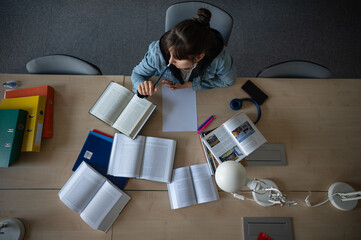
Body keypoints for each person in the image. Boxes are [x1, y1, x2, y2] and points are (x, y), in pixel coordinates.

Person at [131, 8, 236, 97]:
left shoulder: (220, 59)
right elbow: (137, 74)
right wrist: (141, 85)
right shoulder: (157, 53)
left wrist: (190, 84)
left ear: (199, 57)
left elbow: (227, 81)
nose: (170, 61)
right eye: (170, 53)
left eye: (177, 58)